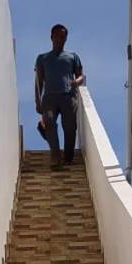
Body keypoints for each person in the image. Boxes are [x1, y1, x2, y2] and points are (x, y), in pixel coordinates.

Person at [34, 24, 85, 165]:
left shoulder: (72, 56)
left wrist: (76, 82)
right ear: (51, 37)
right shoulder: (42, 58)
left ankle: (68, 158)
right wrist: (37, 101)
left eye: (62, 36)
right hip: (49, 97)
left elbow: (81, 76)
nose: (59, 39)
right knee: (49, 122)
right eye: (57, 36)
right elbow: (38, 81)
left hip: (68, 96)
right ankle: (56, 156)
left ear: (66, 38)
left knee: (69, 127)